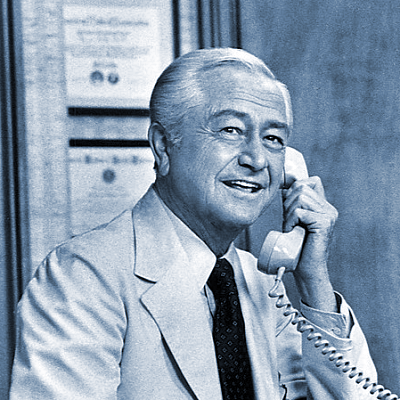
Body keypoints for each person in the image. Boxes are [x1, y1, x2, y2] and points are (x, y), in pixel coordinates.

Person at [10, 48, 378, 400]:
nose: (256, 159)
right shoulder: (82, 277)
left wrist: (313, 281)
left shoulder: (262, 284)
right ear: (163, 146)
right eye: (231, 130)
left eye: (273, 139)